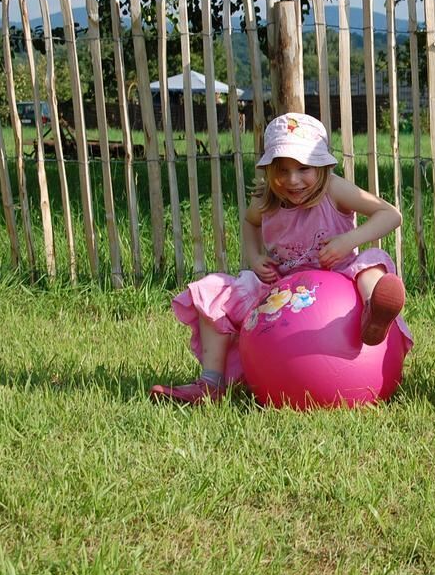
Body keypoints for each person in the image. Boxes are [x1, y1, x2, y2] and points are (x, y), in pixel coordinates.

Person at [150, 113, 412, 404]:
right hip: (279, 289)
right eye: (282, 170)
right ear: (269, 170)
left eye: (303, 168)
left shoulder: (333, 189)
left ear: (323, 165)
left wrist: (347, 241)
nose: (292, 179)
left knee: (371, 262)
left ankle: (372, 313)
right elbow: (249, 223)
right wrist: (255, 256)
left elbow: (391, 214)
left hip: (340, 275)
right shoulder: (266, 199)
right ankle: (210, 383)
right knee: (213, 292)